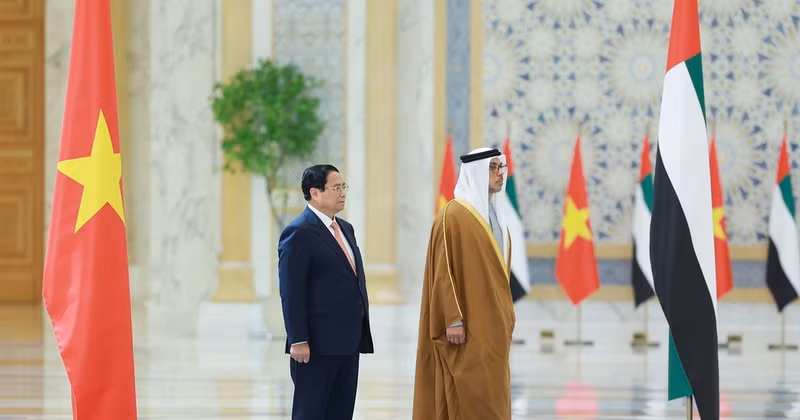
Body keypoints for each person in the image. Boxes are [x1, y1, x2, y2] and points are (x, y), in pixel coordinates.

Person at [412, 147, 516, 420]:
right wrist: (453, 320)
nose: (499, 174)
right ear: (477, 171)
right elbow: (443, 271)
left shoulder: (496, 217)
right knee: (470, 394)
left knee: (494, 393)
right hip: (466, 327)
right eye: (493, 167)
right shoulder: (453, 215)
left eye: (501, 167)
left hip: (493, 329)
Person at [278, 164, 374, 420]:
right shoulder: (299, 232)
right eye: (336, 187)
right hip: (316, 346)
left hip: (348, 342)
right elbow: (291, 291)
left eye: (344, 187)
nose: (343, 193)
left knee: (341, 413)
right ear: (315, 193)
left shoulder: (346, 228)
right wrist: (298, 339)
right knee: (311, 413)